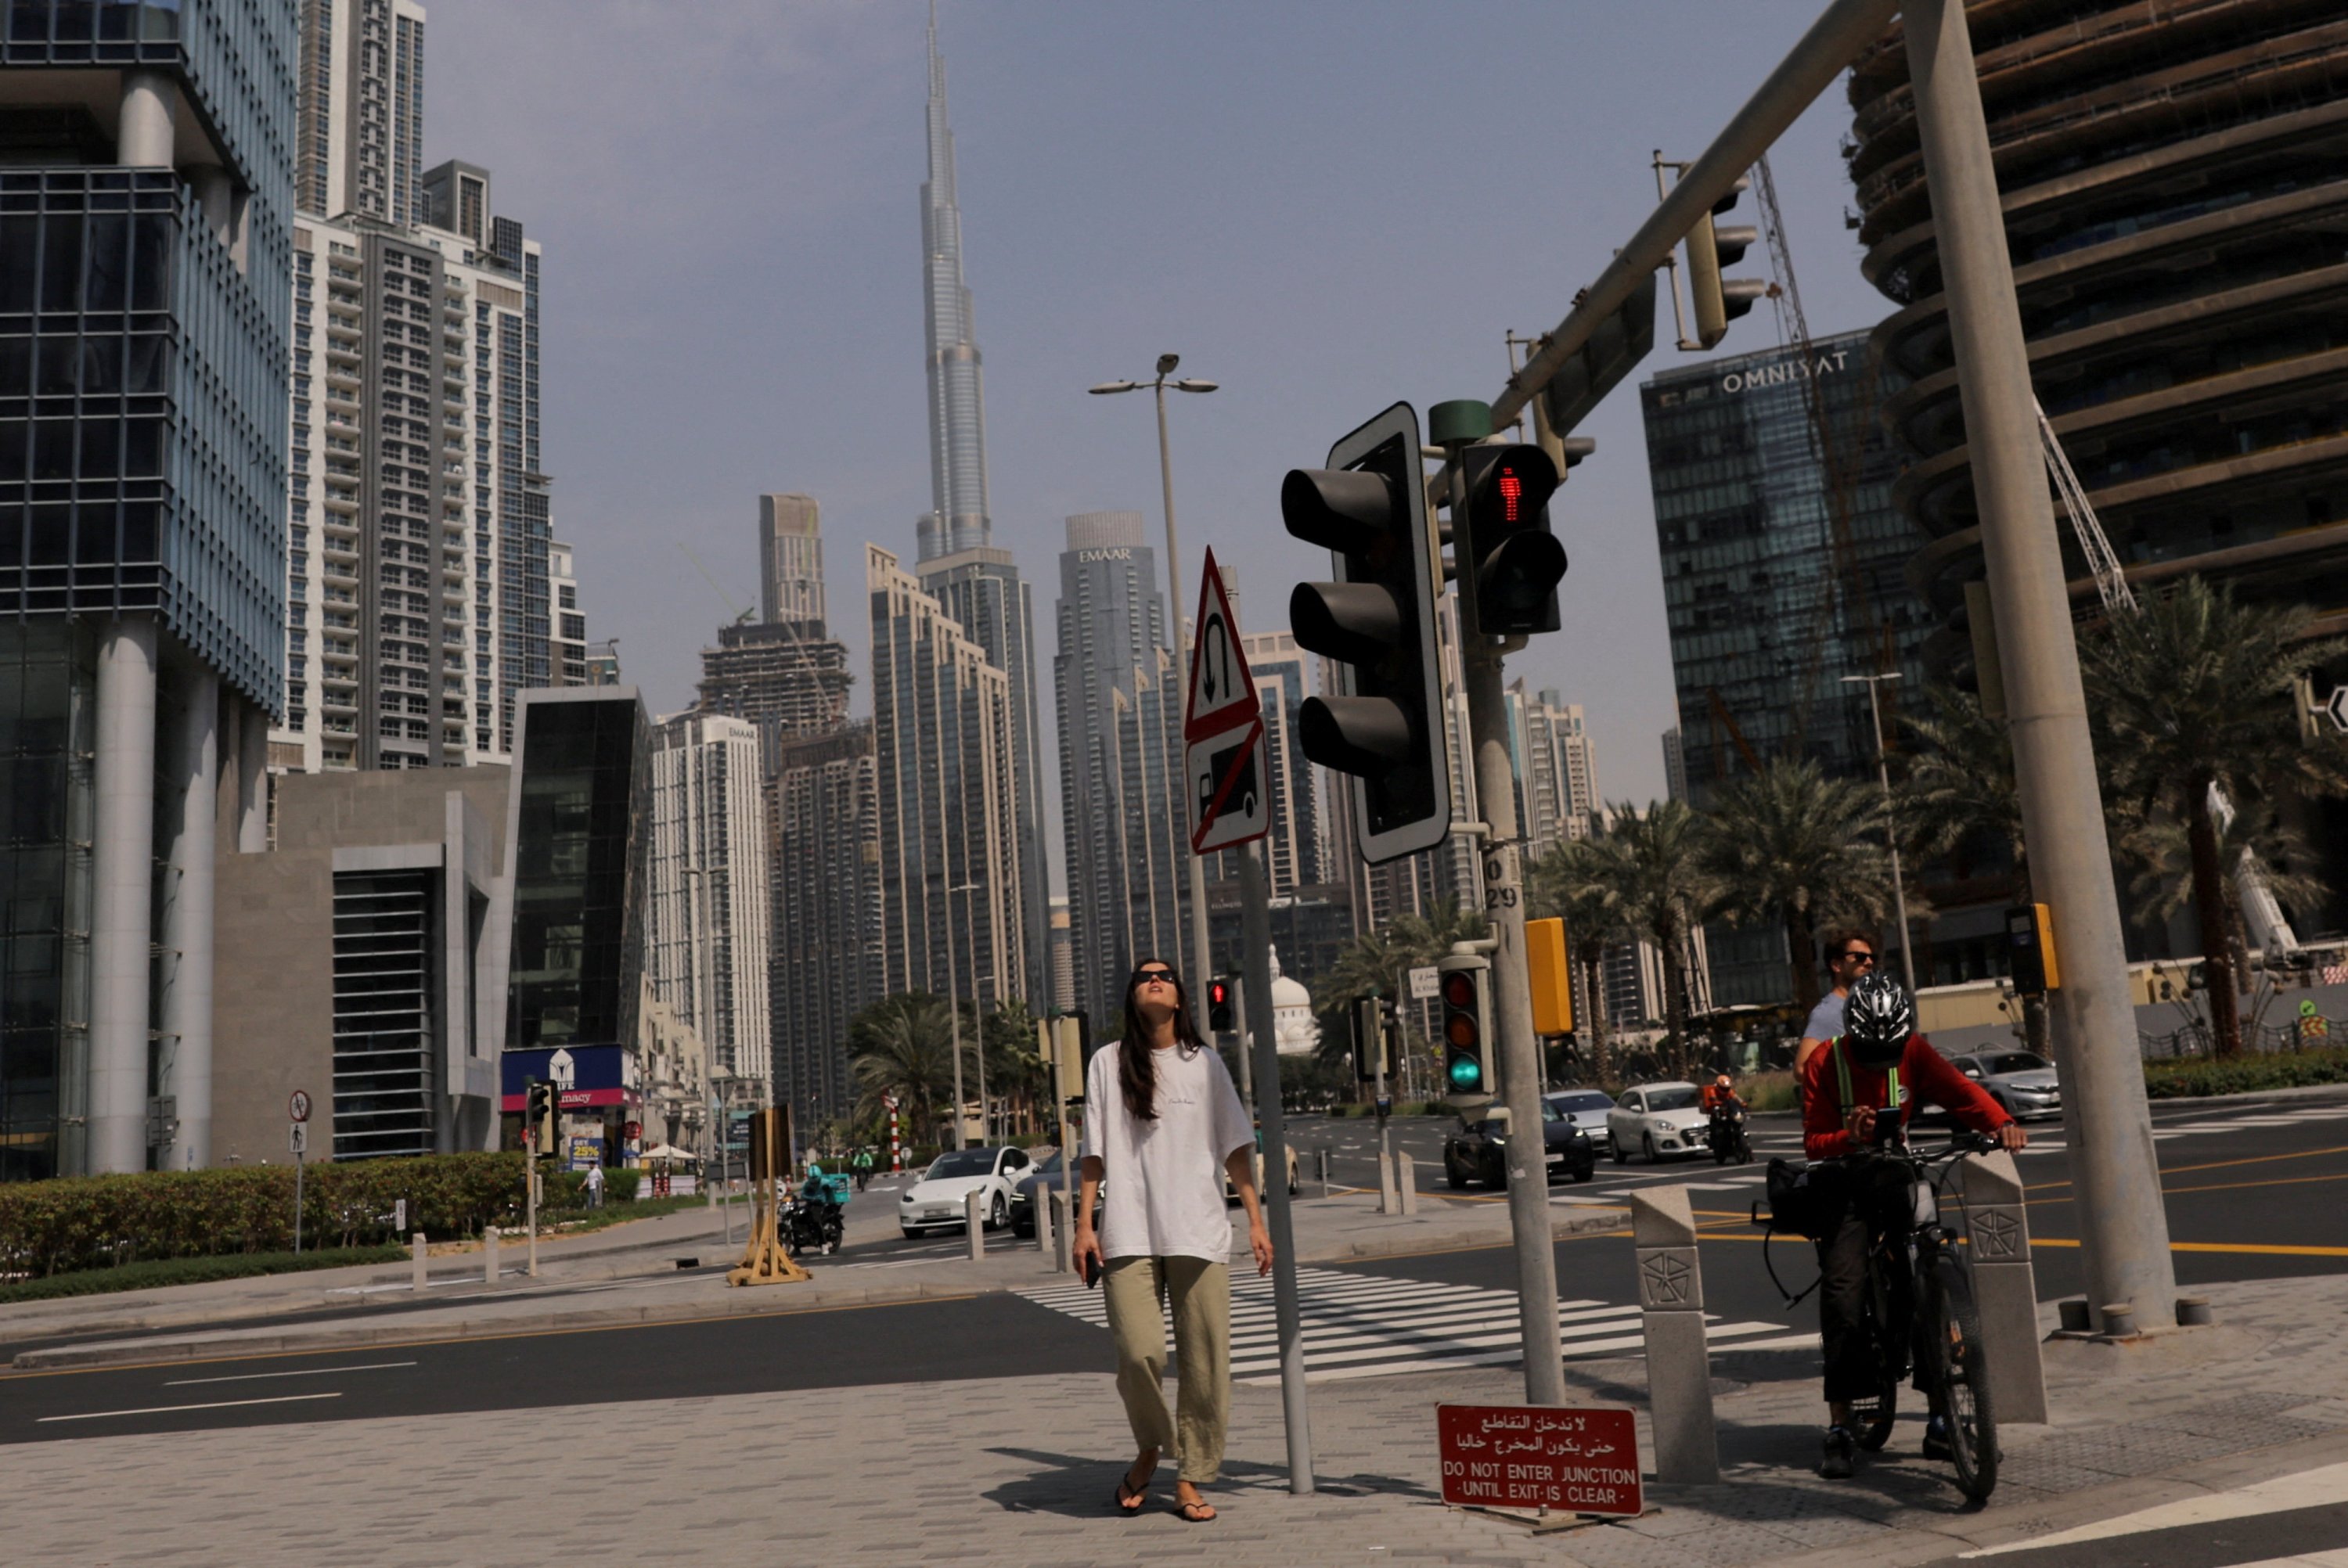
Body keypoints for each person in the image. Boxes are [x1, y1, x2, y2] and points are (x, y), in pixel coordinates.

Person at [1073, 960, 1273, 1525]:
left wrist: (1255, 1222)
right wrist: (1085, 1224)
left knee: (1206, 1362)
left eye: (1165, 974)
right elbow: (1094, 1152)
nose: (1154, 979)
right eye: (1143, 976)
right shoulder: (1106, 1063)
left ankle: (1190, 1477)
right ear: (1133, 998)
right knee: (1139, 1352)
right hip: (1128, 1229)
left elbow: (1235, 1146)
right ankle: (1151, 1446)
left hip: (1199, 1230)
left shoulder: (1204, 1064)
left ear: (1182, 998)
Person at [1801, 973, 2024, 1480]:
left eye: (1892, 1049)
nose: (1884, 1060)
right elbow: (1813, 1142)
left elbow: (1962, 1093)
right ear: (1853, 1036)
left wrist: (2001, 1125)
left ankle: (1941, 1418)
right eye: (1872, 1051)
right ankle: (1839, 1424)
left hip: (1897, 1171)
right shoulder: (1825, 1061)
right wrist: (1846, 1134)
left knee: (1929, 1264)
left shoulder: (1916, 1052)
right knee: (1841, 1291)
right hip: (1844, 1181)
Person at [1797, 933, 1879, 1075]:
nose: (1869, 962)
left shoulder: (1868, 1007)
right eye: (1860, 957)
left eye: (1872, 958)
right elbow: (1802, 1069)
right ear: (1837, 965)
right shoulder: (1830, 1013)